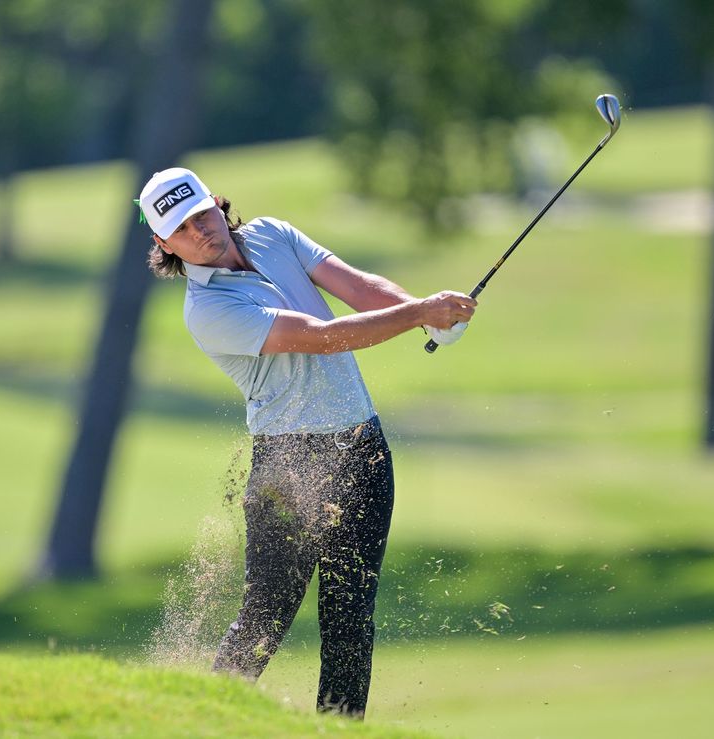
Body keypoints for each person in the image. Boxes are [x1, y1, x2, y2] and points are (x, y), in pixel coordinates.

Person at [138, 167, 475, 718]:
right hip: (289, 464)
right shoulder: (208, 310)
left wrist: (426, 315)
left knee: (351, 612)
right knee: (266, 613)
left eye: (203, 214)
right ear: (164, 244)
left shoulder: (272, 233)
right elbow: (320, 339)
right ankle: (203, 721)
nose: (201, 231)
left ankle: (340, 728)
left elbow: (358, 287)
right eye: (182, 228)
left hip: (361, 446)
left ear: (218, 205)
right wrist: (418, 312)